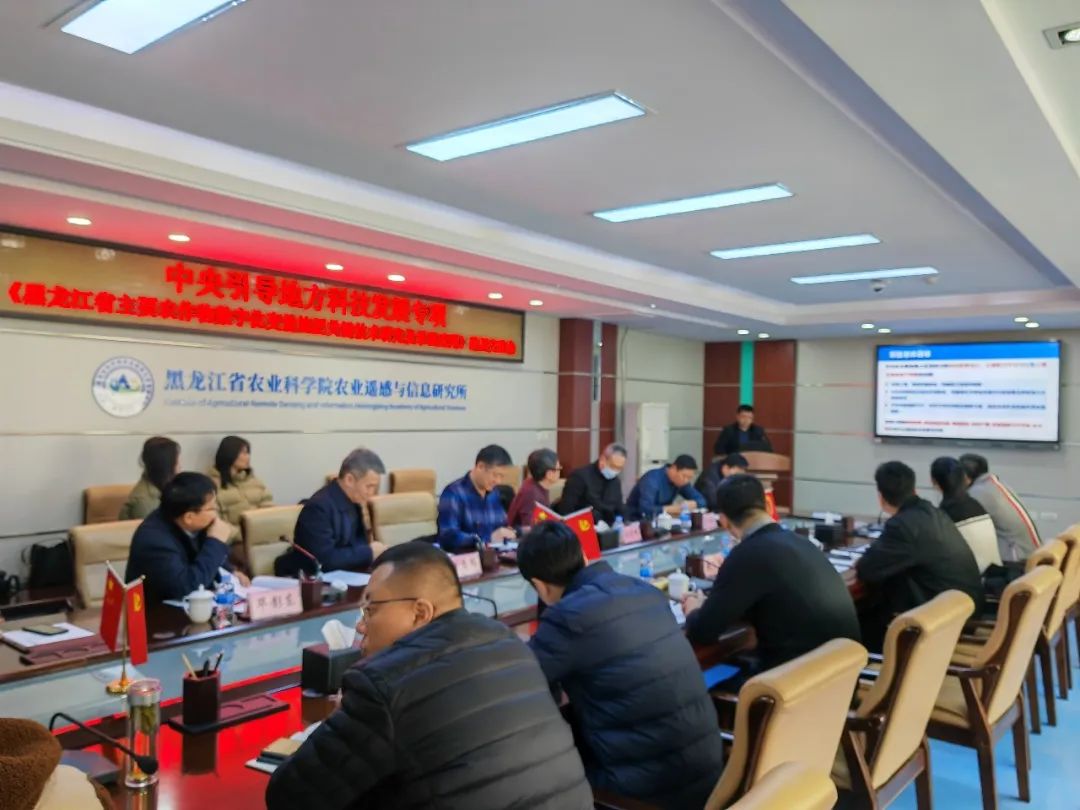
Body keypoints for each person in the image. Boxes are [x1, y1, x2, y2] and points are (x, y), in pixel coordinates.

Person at [266, 542, 593, 810]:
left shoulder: (383, 685)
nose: (362, 625)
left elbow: (289, 797)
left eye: (371, 609)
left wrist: (336, 722)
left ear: (420, 612)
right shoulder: (509, 643)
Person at [519, 522, 724, 807]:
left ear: (539, 585)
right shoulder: (642, 589)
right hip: (711, 775)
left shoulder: (566, 618)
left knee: (535, 777)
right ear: (583, 556)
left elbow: (527, 683)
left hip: (647, 794)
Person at [682, 475, 860, 687]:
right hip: (841, 680)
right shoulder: (802, 543)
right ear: (767, 505)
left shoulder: (747, 555)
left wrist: (694, 608)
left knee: (697, 698)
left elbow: (704, 631)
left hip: (794, 687)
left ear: (724, 521)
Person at [855, 461, 984, 651]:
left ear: (881, 498)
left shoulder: (903, 526)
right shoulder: (933, 512)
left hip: (941, 626)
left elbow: (867, 569)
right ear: (914, 489)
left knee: (860, 618)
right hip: (964, 612)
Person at [125, 472, 247, 603]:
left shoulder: (194, 521)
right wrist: (215, 542)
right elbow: (186, 586)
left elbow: (206, 558)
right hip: (157, 611)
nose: (216, 513)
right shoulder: (154, 541)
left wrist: (230, 572)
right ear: (189, 517)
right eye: (212, 508)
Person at [275, 448, 388, 577]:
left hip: (346, 575)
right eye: (369, 487)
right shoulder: (318, 508)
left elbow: (358, 543)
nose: (372, 493)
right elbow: (324, 560)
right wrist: (368, 552)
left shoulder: (354, 502)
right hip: (314, 581)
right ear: (349, 480)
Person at [960, 453, 1040, 563]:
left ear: (964, 476)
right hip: (1031, 552)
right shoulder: (995, 484)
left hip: (1018, 559)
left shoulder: (978, 493)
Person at [436, 445, 516, 550]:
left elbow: (501, 527)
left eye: (502, 476)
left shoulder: (494, 493)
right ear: (480, 467)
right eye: (495, 475)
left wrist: (509, 532)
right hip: (466, 557)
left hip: (495, 555)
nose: (498, 481)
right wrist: (487, 539)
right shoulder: (454, 493)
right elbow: (448, 537)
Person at [930, 457, 1001, 575]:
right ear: (964, 478)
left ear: (934, 482)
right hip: (995, 575)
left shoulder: (944, 516)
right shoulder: (976, 504)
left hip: (976, 581)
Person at [208, 435, 273, 527]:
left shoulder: (254, 481)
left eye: (248, 453)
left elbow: (268, 506)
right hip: (232, 534)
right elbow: (215, 521)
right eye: (244, 453)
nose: (248, 457)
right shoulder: (212, 485)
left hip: (260, 531)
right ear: (230, 454)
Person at [557, 443, 627, 526]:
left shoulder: (615, 482)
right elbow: (566, 510)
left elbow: (619, 508)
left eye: (619, 468)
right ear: (602, 459)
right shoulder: (579, 477)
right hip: (583, 526)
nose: (615, 470)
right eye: (613, 466)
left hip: (609, 528)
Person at [625, 454, 706, 521]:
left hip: (661, 521)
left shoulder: (681, 482)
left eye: (689, 478)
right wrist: (671, 509)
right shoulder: (652, 480)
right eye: (684, 476)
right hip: (636, 521)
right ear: (674, 469)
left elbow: (702, 501)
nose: (686, 480)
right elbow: (645, 509)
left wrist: (694, 503)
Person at [118, 436, 181, 520]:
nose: (180, 467)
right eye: (177, 462)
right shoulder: (145, 502)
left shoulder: (165, 488)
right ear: (166, 467)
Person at [506, 448, 561, 528]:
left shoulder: (535, 485)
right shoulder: (531, 493)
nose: (560, 471)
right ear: (549, 474)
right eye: (558, 469)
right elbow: (529, 528)